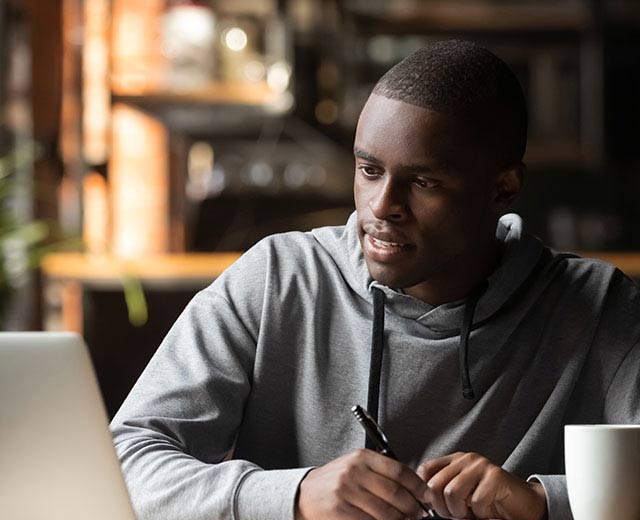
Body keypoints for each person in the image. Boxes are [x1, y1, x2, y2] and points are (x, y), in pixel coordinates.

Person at [110, 40, 640, 520]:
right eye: (369, 171)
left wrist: (544, 502)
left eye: (424, 182)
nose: (382, 207)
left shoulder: (599, 307)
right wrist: (295, 496)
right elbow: (126, 462)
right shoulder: (277, 280)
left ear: (502, 189)